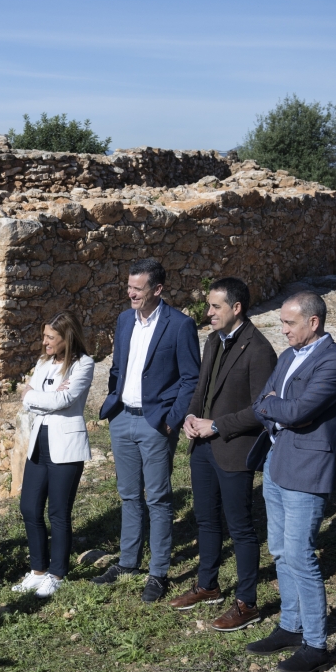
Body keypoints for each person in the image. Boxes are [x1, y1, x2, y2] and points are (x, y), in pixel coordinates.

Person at [244, 291, 336, 672]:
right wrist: (278, 406)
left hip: (307, 469)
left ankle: (316, 644)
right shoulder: (289, 356)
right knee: (279, 550)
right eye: (282, 322)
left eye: (289, 323)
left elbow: (300, 410)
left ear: (313, 322)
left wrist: (278, 406)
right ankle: (291, 626)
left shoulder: (335, 362)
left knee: (300, 554)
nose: (283, 330)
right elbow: (262, 402)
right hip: (277, 461)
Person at [95, 258, 200, 603]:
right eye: (129, 287)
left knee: (157, 498)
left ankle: (158, 572)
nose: (131, 294)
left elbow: (191, 378)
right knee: (128, 495)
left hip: (156, 423)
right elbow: (118, 367)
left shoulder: (180, 325)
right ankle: (128, 562)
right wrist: (114, 400)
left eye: (138, 289)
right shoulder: (125, 319)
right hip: (122, 418)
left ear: (157, 289)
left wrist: (170, 420)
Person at [175, 277, 277, 630]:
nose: (208, 313)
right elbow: (201, 390)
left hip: (234, 449)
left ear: (236, 307)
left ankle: (247, 603)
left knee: (241, 528)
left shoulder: (259, 349)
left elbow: (262, 409)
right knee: (205, 519)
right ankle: (208, 585)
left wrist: (217, 425)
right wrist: (190, 416)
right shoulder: (212, 341)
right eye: (208, 306)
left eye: (215, 306)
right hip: (202, 447)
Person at [12, 311, 95, 597]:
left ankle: (56, 573)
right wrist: (40, 398)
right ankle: (38, 570)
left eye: (51, 337)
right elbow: (29, 399)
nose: (45, 342)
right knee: (29, 507)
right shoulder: (43, 363)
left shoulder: (83, 364)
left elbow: (65, 399)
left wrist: (36, 396)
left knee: (58, 512)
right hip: (40, 441)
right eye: (44, 336)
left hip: (66, 446)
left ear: (66, 338)